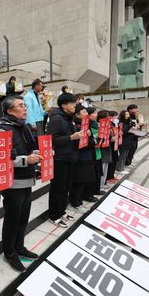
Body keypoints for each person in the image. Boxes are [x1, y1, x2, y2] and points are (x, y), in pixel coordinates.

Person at [0, 96, 42, 272]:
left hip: (27, 179)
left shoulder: (23, 127)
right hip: (13, 183)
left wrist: (36, 153)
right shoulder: (1, 130)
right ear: (9, 111)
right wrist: (26, 160)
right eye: (21, 106)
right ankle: (9, 252)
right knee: (12, 220)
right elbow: (1, 159)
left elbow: (25, 149)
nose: (25, 108)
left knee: (23, 218)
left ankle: (19, 247)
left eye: (25, 105)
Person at [46, 93, 84, 228]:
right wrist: (71, 138)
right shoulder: (56, 119)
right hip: (59, 159)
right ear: (63, 105)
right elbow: (51, 140)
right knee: (58, 188)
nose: (75, 105)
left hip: (69, 157)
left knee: (66, 187)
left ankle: (61, 211)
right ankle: (54, 215)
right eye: (72, 103)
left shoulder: (69, 118)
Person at [69, 104, 93, 214]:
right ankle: (74, 203)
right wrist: (88, 137)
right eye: (83, 112)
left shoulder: (86, 125)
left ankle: (78, 201)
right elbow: (80, 143)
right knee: (78, 181)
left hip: (87, 157)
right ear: (77, 114)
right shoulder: (75, 126)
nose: (86, 114)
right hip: (80, 158)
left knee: (83, 181)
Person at [115, 110, 132, 174]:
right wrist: (130, 126)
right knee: (122, 155)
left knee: (125, 155)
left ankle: (122, 168)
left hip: (128, 140)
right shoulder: (120, 122)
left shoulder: (128, 121)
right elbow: (123, 132)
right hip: (122, 141)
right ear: (123, 115)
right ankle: (118, 169)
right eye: (126, 114)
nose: (128, 115)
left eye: (128, 114)